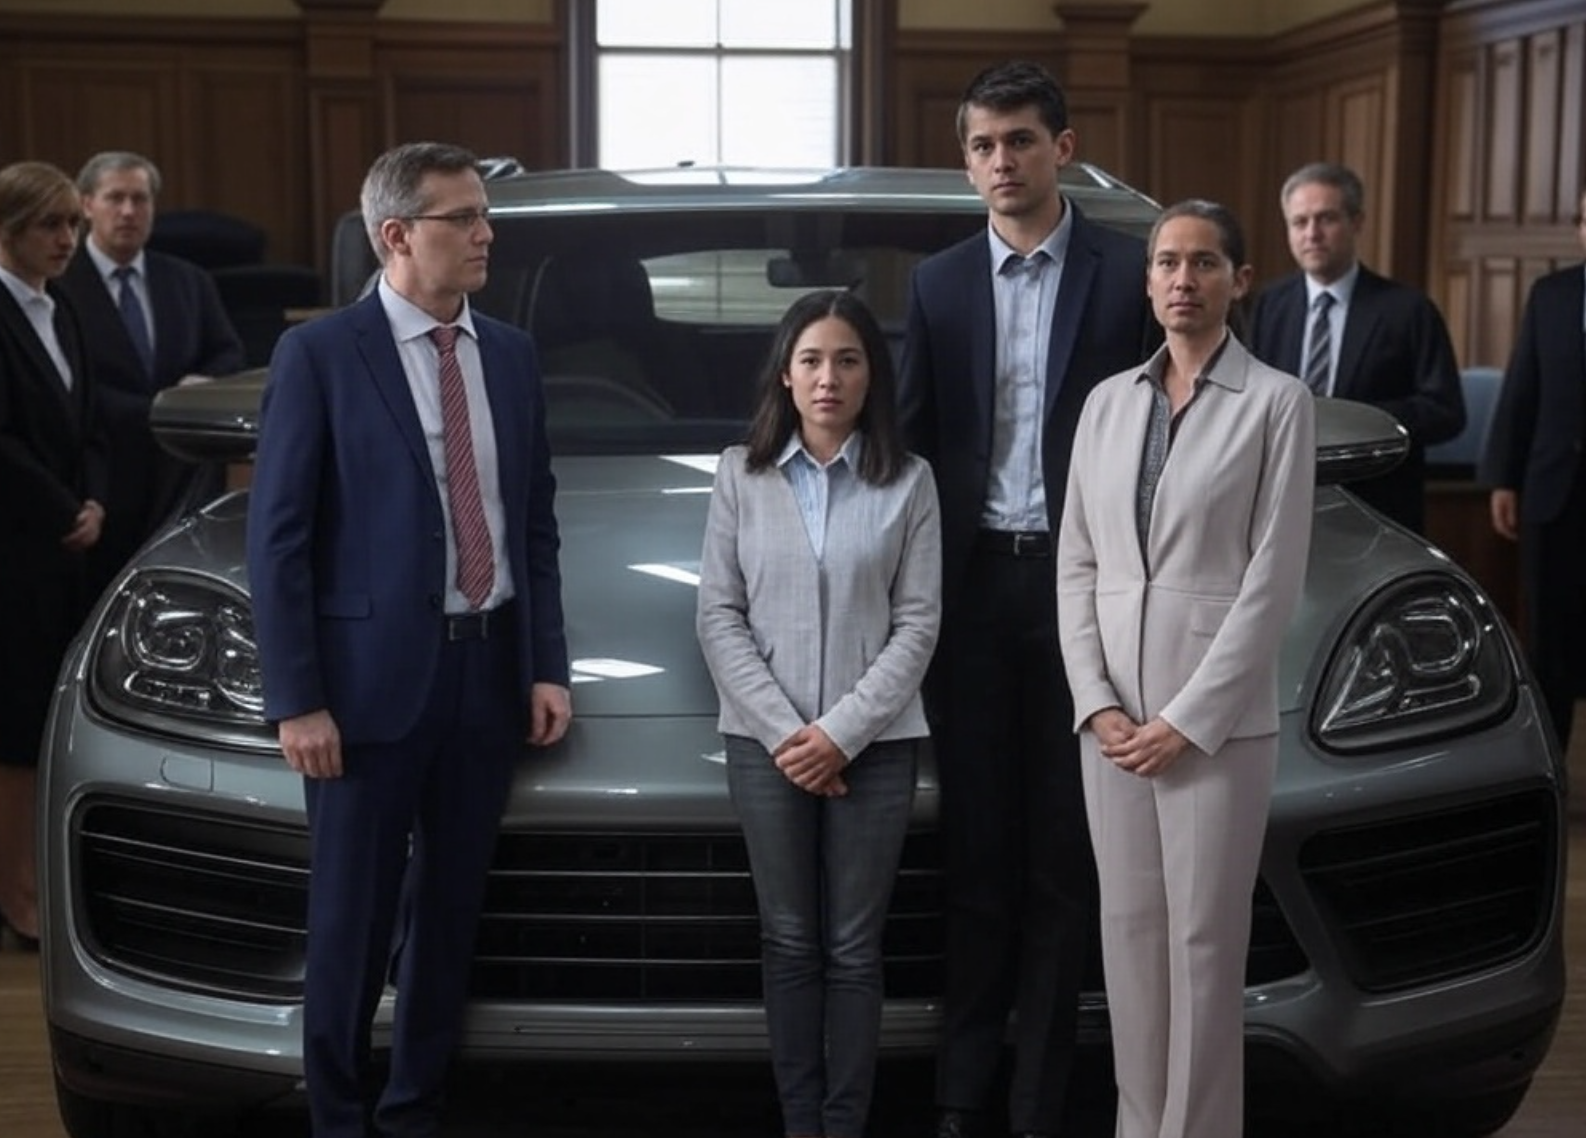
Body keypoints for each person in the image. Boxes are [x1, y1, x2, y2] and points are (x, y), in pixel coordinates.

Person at [244, 141, 572, 1138]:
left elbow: (534, 525)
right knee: (351, 917)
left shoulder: (509, 353)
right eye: (461, 218)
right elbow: (279, 539)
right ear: (396, 235)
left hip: (488, 673)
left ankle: (413, 1108)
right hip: (362, 690)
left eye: (484, 215)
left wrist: (545, 664)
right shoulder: (319, 355)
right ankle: (339, 1117)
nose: (485, 234)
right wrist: (298, 698)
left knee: (448, 915)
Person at [897, 60, 1158, 1138]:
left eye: (1018, 140)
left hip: (1085, 596)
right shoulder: (938, 284)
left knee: (1062, 859)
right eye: (982, 145)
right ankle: (962, 1093)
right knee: (976, 853)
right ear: (966, 163)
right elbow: (911, 445)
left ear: (1062, 148)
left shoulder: (1131, 271)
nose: (1000, 161)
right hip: (968, 595)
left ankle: (1039, 1103)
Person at [1056, 200, 1315, 1138]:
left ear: (1238, 281)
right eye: (1167, 262)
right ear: (1148, 280)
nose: (1182, 279)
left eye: (1204, 263)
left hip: (1214, 729)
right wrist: (1096, 703)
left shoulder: (1278, 403)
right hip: (1114, 728)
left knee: (1204, 945)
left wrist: (1185, 721)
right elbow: (1076, 564)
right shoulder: (1106, 403)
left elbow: (1271, 586)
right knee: (1129, 938)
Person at [696, 288, 941, 1138]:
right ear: (786, 376)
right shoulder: (741, 473)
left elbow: (918, 624)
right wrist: (786, 735)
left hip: (876, 747)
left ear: (872, 376)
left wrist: (838, 735)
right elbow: (718, 615)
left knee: (854, 947)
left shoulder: (909, 482)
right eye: (811, 360)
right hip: (765, 748)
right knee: (791, 941)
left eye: (847, 360)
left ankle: (846, 1123)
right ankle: (803, 1122)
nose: (828, 378)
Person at [0, 161, 108, 949]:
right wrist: (64, 509)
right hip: (13, 550)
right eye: (51, 225)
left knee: (46, 720)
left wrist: (94, 498)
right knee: (13, 730)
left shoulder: (61, 306)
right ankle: (16, 898)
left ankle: (36, 883)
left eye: (74, 223)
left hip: (66, 547)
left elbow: (89, 422)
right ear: (9, 229)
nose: (68, 239)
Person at [57, 150, 245, 594]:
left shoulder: (188, 279)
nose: (128, 211)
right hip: (101, 474)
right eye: (115, 198)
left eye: (140, 199)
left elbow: (227, 353)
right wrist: (157, 409)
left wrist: (199, 389)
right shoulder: (60, 282)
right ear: (87, 205)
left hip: (182, 473)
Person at [1247, 160, 1463, 534]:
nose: (1312, 234)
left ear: (1357, 222)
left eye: (1326, 219)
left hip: (1379, 508)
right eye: (1299, 222)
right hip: (1281, 506)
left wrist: (1352, 422)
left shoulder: (1408, 310)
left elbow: (1445, 412)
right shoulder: (1269, 305)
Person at [1481, 188, 1586, 751]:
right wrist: (1504, 477)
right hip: (1553, 492)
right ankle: (1552, 768)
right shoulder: (1552, 295)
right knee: (1548, 642)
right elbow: (1523, 389)